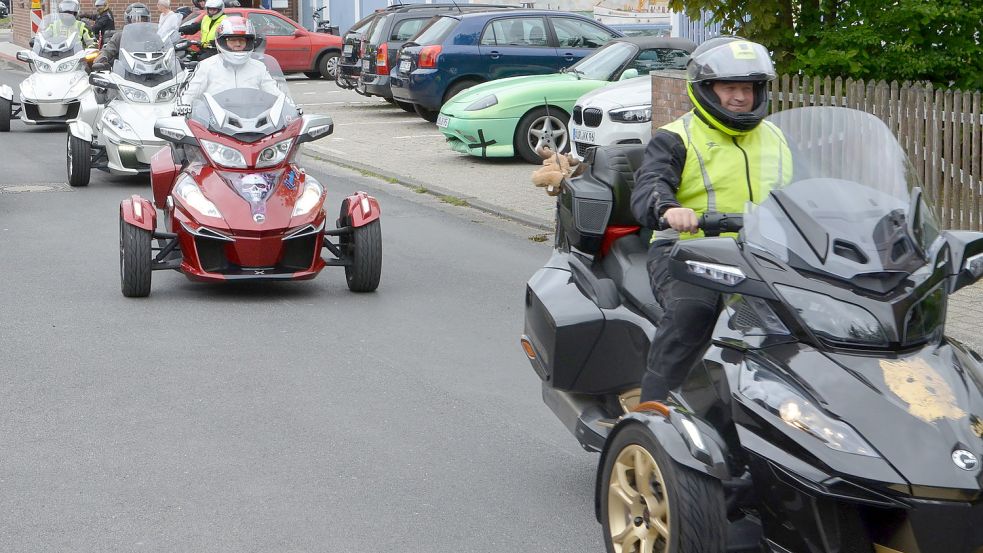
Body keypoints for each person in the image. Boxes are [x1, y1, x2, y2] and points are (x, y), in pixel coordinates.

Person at [629, 36, 792, 405]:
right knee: (693, 313)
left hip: (763, 254)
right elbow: (650, 188)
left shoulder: (777, 137)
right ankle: (651, 410)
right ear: (705, 90)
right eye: (729, 87)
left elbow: (806, 191)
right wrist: (669, 210)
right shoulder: (675, 138)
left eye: (748, 88)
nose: (740, 97)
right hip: (689, 252)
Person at [175, 17, 282, 113]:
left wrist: (289, 106)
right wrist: (183, 105)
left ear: (249, 41)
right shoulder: (207, 65)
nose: (238, 44)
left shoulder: (259, 67)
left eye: (242, 40)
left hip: (253, 121)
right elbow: (191, 91)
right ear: (222, 41)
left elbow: (274, 92)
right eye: (232, 40)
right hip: (214, 123)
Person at [90, 2, 152, 71]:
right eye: (135, 20)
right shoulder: (119, 37)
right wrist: (102, 58)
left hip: (151, 73)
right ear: (128, 21)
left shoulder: (154, 37)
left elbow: (163, 52)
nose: (138, 22)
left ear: (147, 21)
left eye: (142, 20)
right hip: (125, 74)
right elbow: (107, 51)